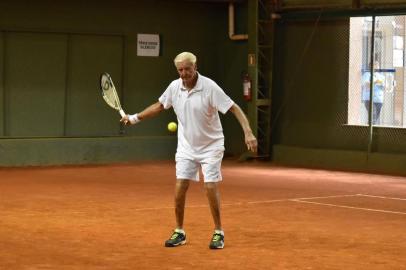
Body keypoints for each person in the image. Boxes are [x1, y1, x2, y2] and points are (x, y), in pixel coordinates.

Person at [120, 52, 257, 249]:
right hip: (186, 147)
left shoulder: (209, 87)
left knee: (210, 186)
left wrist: (248, 132)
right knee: (180, 187)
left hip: (212, 146)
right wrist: (134, 118)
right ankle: (179, 231)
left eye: (187, 69)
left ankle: (218, 232)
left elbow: (234, 108)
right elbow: (160, 106)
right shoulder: (174, 87)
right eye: (180, 70)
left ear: (195, 67)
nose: (184, 73)